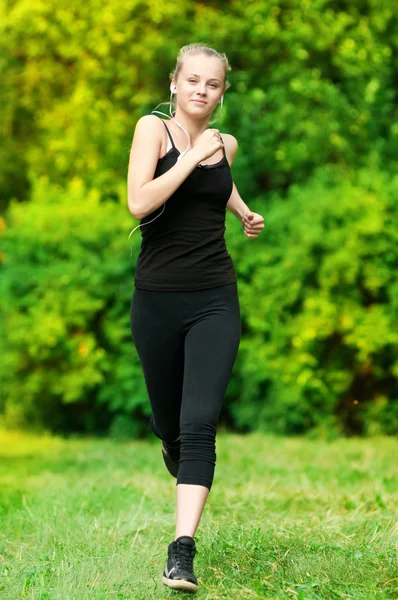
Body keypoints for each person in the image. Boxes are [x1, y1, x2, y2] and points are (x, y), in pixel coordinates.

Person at [127, 42, 264, 594]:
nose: (202, 90)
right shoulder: (152, 131)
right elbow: (139, 203)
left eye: (212, 83)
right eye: (193, 80)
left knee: (200, 422)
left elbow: (220, 183)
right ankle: (170, 440)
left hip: (214, 296)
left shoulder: (223, 144)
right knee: (170, 422)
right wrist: (189, 157)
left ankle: (182, 551)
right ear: (174, 84)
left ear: (222, 92)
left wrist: (243, 211)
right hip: (157, 299)